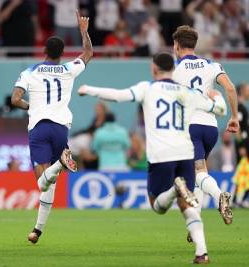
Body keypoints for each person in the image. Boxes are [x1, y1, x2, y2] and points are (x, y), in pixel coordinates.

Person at [78, 52, 227, 264]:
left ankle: (176, 189)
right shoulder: (188, 92)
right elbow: (220, 109)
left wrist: (89, 90)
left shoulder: (147, 88)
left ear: (154, 68)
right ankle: (202, 252)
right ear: (173, 70)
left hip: (161, 155)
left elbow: (119, 96)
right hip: (186, 154)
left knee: (158, 205)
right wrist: (217, 96)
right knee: (188, 206)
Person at [11, 10, 93, 244]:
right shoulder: (68, 69)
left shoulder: (30, 72)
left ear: (44, 51)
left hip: (38, 127)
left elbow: (14, 99)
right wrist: (83, 32)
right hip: (60, 127)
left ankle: (59, 163)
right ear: (62, 54)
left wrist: (31, 106)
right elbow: (88, 53)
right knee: (51, 182)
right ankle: (37, 230)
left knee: (42, 181)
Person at [172, 25, 238, 225]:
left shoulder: (174, 69)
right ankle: (196, 219)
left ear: (176, 45)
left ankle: (219, 197)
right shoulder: (211, 65)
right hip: (210, 128)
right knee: (199, 173)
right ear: (194, 44)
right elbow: (230, 88)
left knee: (197, 173)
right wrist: (234, 116)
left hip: (190, 127)